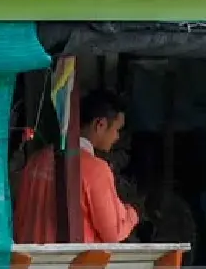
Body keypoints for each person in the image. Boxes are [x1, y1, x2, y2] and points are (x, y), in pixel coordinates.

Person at [13, 89, 140, 244]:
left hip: (32, 263)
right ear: (100, 124)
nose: (117, 137)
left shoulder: (36, 161)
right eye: (117, 129)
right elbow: (113, 233)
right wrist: (132, 214)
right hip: (73, 265)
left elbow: (19, 220)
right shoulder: (96, 170)